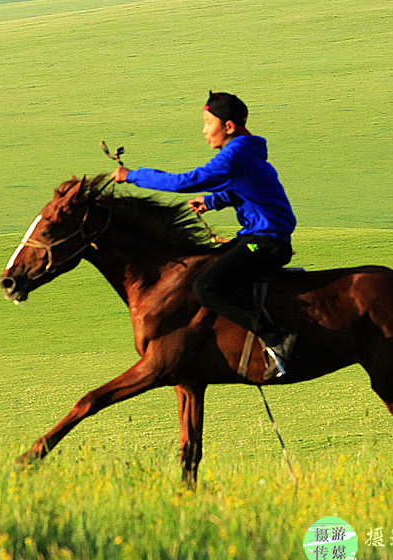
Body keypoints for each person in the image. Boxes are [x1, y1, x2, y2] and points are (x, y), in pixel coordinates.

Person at [113, 91, 297, 376]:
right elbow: (245, 189)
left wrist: (132, 176)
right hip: (258, 238)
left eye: (207, 122)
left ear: (229, 126)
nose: (204, 130)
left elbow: (184, 181)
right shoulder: (247, 153)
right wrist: (211, 201)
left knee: (206, 286)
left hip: (264, 243)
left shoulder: (234, 154)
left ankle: (276, 337)